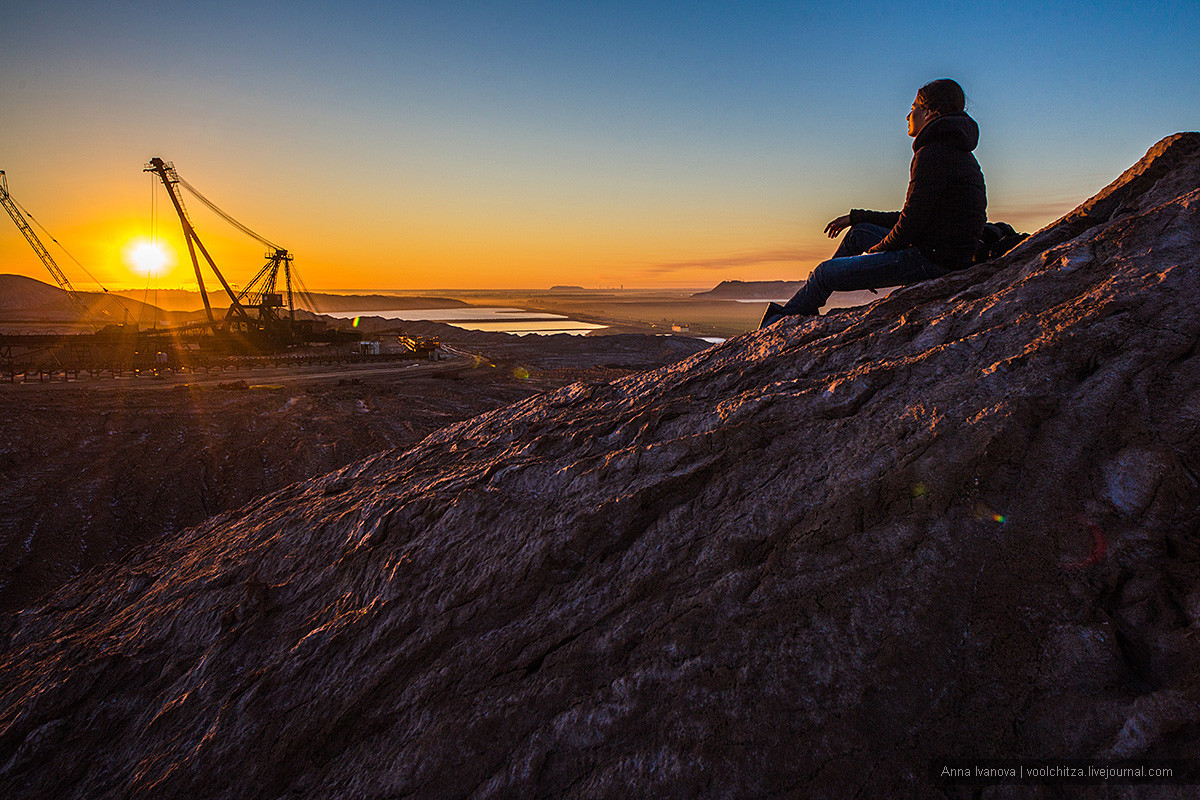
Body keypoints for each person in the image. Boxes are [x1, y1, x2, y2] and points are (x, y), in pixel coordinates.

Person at [761, 78, 986, 328]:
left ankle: (779, 325)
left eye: (914, 107)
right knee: (860, 233)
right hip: (940, 249)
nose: (909, 114)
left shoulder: (932, 154)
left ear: (930, 112)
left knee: (824, 273)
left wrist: (875, 255)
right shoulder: (953, 150)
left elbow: (909, 225)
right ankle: (804, 307)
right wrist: (856, 217)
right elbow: (914, 214)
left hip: (934, 260)